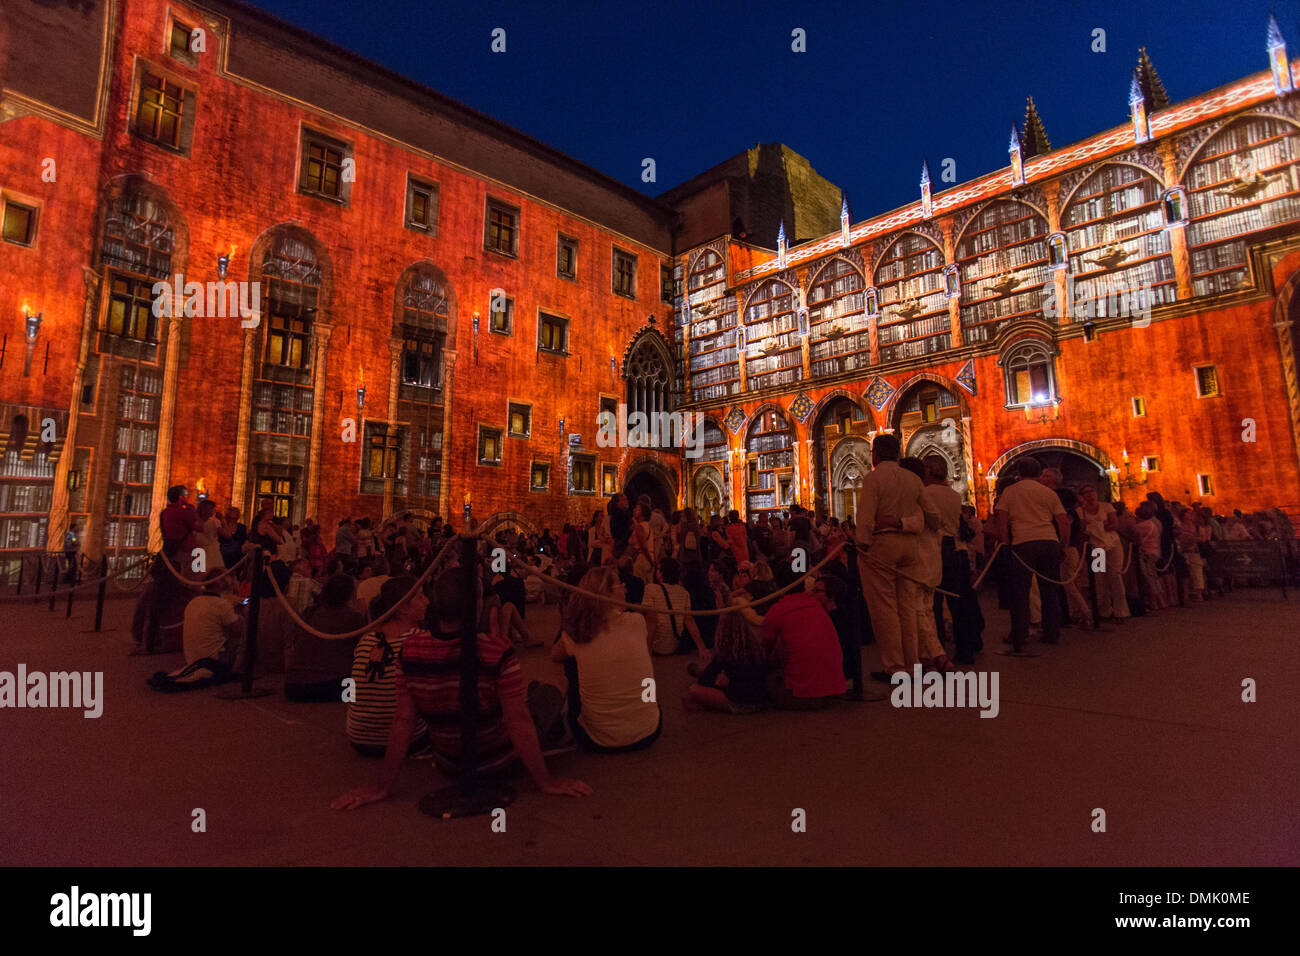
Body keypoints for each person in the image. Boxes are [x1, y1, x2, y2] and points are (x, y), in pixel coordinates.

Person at [551, 566, 662, 752]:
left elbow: (554, 656)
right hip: (648, 733)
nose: (626, 589)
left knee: (572, 661)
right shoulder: (636, 621)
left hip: (596, 740)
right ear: (607, 593)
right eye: (621, 585)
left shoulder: (576, 633)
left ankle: (575, 709)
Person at [855, 433, 936, 681]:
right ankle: (914, 664)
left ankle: (895, 667)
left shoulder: (874, 478)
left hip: (883, 546)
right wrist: (909, 524)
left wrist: (862, 544)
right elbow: (933, 516)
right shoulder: (913, 478)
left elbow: (866, 517)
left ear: (875, 454)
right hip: (910, 546)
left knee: (885, 608)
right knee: (907, 607)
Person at [344, 577, 430, 756]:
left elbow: (353, 689)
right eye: (420, 597)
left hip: (358, 737)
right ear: (404, 608)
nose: (427, 601)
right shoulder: (418, 640)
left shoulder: (366, 640)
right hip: (404, 740)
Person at [994, 458, 1070, 651]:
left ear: (1019, 472)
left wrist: (1005, 541)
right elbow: (1063, 521)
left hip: (1023, 543)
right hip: (1049, 540)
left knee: (1020, 592)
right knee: (1050, 590)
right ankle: (1052, 633)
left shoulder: (1010, 491)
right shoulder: (1048, 493)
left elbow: (1001, 519)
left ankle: (1020, 635)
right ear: (1038, 473)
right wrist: (1063, 545)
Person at [762, 564, 847, 707]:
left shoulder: (778, 610)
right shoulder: (817, 605)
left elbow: (765, 649)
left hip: (799, 695)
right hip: (832, 692)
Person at [148, 571, 242, 692]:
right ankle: (241, 670)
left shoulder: (193, 602)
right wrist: (240, 613)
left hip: (192, 659)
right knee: (243, 633)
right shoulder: (221, 604)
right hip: (214, 661)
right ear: (220, 583)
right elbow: (238, 631)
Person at [285, 573, 366, 702]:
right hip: (331, 686)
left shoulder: (309, 613)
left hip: (294, 687)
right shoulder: (354, 618)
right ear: (350, 595)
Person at [1079, 484, 1129, 626]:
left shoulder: (1107, 506)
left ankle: (1121, 611)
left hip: (1112, 544)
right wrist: (1102, 524)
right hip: (1096, 547)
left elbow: (1114, 524)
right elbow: (1083, 529)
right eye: (1086, 492)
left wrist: (1094, 527)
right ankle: (1104, 610)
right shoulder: (1081, 511)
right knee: (1099, 578)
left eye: (1091, 491)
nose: (1090, 494)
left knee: (1115, 576)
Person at [641, 556, 708, 658]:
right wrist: (702, 648)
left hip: (656, 645)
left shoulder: (650, 588)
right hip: (674, 644)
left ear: (661, 573)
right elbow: (689, 620)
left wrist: (647, 650)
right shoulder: (683, 592)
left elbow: (651, 619)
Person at [159, 485, 202, 558]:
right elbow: (200, 527)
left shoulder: (165, 512)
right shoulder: (185, 512)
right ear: (181, 497)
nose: (188, 498)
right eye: (187, 495)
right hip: (185, 550)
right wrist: (195, 512)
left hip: (170, 549)